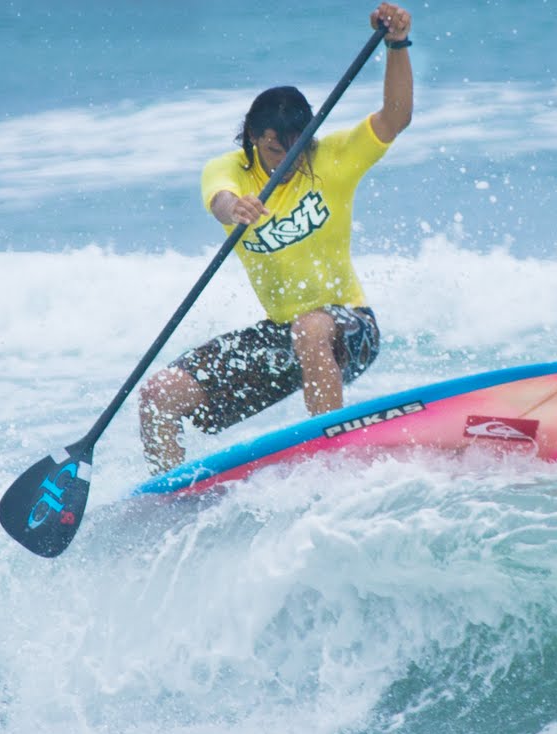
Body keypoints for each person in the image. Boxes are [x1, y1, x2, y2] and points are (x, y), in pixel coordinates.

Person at [138, 3, 414, 474]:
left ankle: (331, 465)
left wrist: (397, 44)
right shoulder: (227, 170)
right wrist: (233, 209)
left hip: (351, 328)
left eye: (296, 148)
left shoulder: (332, 157)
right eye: (272, 149)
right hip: (282, 336)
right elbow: (219, 197)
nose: (286, 160)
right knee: (158, 394)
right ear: (252, 136)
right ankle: (171, 499)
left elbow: (396, 117)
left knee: (311, 327)